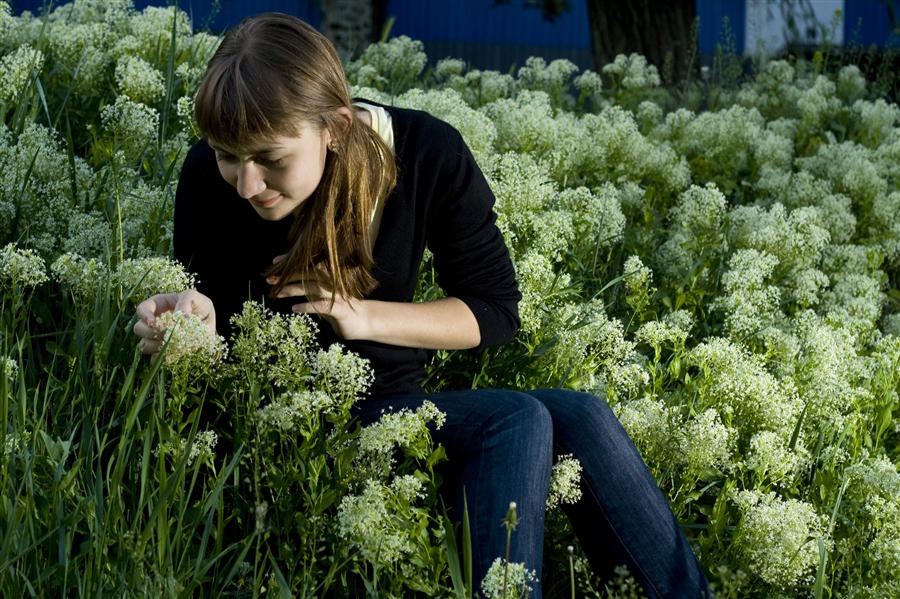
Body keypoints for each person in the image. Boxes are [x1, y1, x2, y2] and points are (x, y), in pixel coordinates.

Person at [132, 12, 710, 598]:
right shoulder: (209, 177)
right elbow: (212, 334)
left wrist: (360, 314)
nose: (246, 183)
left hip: (392, 404)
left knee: (580, 415)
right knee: (516, 417)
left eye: (271, 159)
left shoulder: (426, 152)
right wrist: (189, 334)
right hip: (289, 426)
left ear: (334, 126)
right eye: (228, 155)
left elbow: (494, 311)